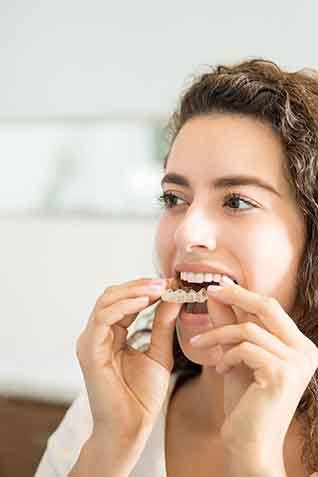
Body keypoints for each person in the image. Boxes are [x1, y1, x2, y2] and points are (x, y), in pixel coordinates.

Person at [35, 58, 318, 477]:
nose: (187, 233)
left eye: (237, 201)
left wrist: (252, 457)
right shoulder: (100, 418)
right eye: (174, 198)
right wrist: (113, 445)